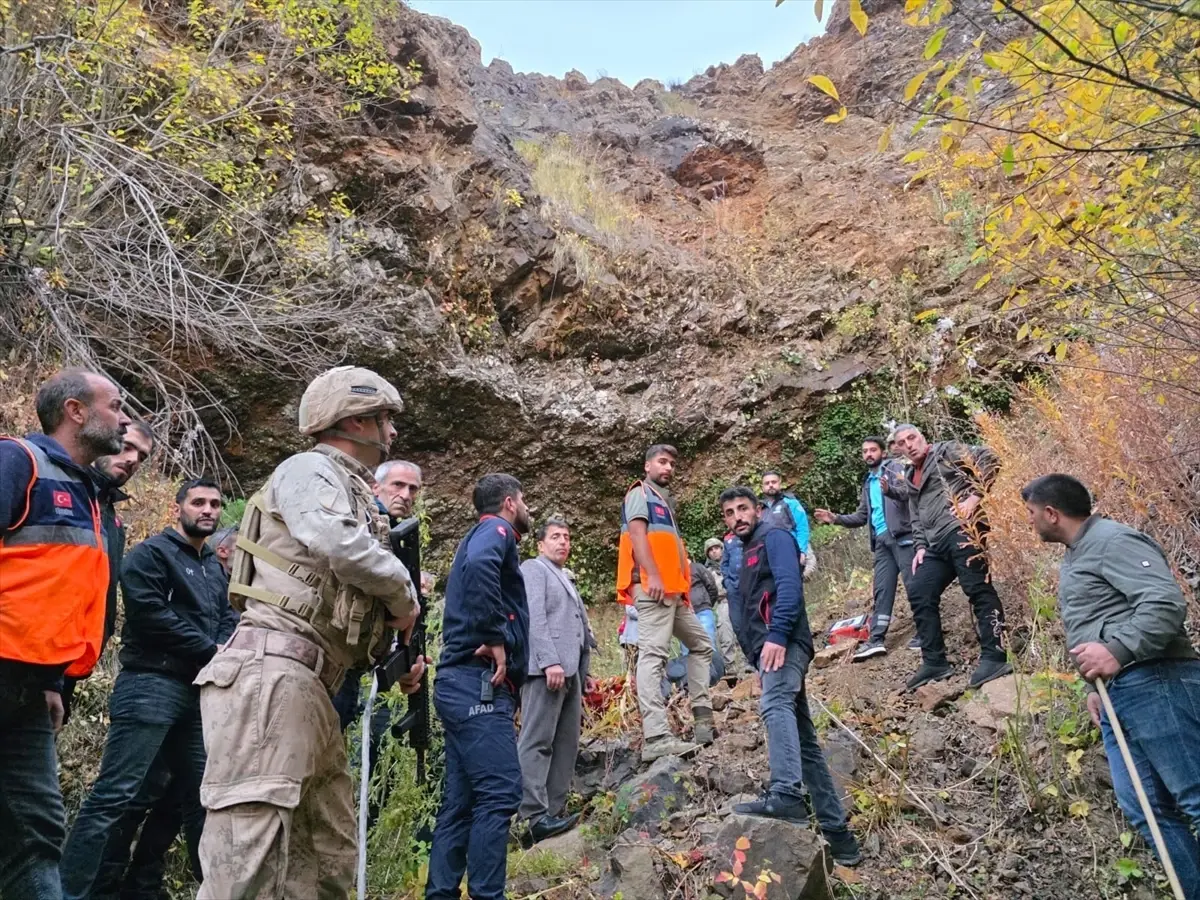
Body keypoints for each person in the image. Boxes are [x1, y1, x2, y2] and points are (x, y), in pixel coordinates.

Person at [194, 366, 422, 899]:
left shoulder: (349, 490)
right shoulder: (309, 469)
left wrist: (395, 656)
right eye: (383, 419)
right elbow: (336, 544)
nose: (390, 433)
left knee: (324, 861)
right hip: (273, 676)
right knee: (245, 861)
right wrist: (404, 593)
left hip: (312, 684)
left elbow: (340, 596)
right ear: (354, 421)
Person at [60, 478, 237, 900]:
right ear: (179, 508)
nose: (207, 509)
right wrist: (211, 648)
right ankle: (68, 892)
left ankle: (216, 891)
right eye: (198, 502)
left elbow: (225, 618)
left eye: (214, 503)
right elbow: (150, 613)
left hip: (197, 692)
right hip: (150, 684)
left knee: (201, 798)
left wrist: (229, 649)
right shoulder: (150, 555)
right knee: (115, 795)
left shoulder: (213, 565)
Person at [1023, 474, 1200, 891]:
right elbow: (1097, 622)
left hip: (1157, 681)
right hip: (1119, 695)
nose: (1030, 523)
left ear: (1052, 513)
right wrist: (1092, 688)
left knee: (1195, 796)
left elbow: (1164, 604)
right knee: (1145, 809)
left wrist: (1117, 652)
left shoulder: (1113, 541)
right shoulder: (1078, 553)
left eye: (1031, 514)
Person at [0, 368, 130, 900]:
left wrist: (55, 681)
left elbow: (61, 596)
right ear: (76, 411)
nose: (124, 417)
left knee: (37, 833)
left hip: (31, 690)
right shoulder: (17, 461)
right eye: (115, 405)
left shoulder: (89, 492)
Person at [719, 486, 862, 866]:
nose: (738, 517)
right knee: (806, 743)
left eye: (744, 509)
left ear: (757, 510)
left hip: (783, 641)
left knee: (775, 704)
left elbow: (789, 587)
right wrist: (756, 653)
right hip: (767, 647)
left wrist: (778, 636)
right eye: (731, 513)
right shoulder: (744, 550)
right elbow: (748, 607)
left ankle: (786, 794)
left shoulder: (775, 536)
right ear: (726, 521)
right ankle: (839, 837)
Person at [425, 474, 530, 900]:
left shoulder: (477, 534)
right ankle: (488, 894)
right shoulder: (496, 530)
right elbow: (483, 567)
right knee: (501, 792)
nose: (529, 510)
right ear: (509, 502)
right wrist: (497, 637)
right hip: (476, 684)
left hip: (458, 684)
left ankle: (441, 893)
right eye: (525, 501)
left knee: (462, 802)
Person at [886, 424, 1010, 691]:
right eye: (902, 442)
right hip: (934, 545)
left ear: (923, 437)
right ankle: (935, 662)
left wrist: (974, 498)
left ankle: (995, 655)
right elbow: (915, 514)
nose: (909, 444)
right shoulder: (910, 474)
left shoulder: (946, 451)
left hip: (962, 530)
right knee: (919, 590)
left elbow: (990, 458)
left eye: (912, 438)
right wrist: (920, 546)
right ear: (898, 449)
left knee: (977, 589)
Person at [616, 444, 714, 761]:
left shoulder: (664, 503)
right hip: (653, 588)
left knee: (701, 645)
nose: (668, 467)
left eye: (672, 463)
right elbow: (637, 535)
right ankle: (656, 737)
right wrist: (652, 575)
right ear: (647, 466)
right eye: (662, 462)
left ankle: (703, 719)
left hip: (672, 591)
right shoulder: (639, 493)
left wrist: (678, 586)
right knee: (653, 656)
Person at [61, 420, 156, 723]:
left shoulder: (111, 519)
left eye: (142, 456)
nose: (132, 460)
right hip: (29, 653)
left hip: (74, 660)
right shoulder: (63, 490)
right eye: (127, 447)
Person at [517, 516, 596, 844]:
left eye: (566, 536)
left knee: (566, 740)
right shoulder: (534, 569)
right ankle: (531, 815)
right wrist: (549, 660)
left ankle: (554, 810)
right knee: (537, 739)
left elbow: (576, 625)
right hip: (546, 669)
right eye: (555, 537)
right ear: (540, 544)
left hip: (571, 670)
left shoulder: (564, 575)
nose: (563, 542)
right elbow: (533, 617)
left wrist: (585, 670)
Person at [814, 436, 919, 661]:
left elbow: (908, 493)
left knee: (914, 584)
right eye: (865, 451)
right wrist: (835, 518)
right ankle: (877, 639)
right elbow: (863, 515)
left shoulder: (894, 468)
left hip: (902, 536)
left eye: (873, 450)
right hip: (880, 541)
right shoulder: (868, 481)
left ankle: (926, 631)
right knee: (882, 590)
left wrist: (889, 489)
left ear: (882, 451)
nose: (869, 454)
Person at [704, 538, 741, 675]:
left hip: (738, 599)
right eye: (711, 550)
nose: (714, 552)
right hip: (722, 603)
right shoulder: (707, 572)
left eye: (716, 548)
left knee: (746, 632)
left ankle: (751, 665)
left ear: (722, 548)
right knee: (726, 637)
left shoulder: (734, 562)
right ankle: (730, 669)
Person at [760, 470, 811, 561]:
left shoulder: (790, 503)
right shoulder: (761, 509)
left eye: (774, 482)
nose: (770, 485)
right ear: (762, 487)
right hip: (768, 555)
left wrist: (802, 551)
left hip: (790, 551)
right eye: (767, 483)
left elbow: (802, 527)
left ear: (779, 484)